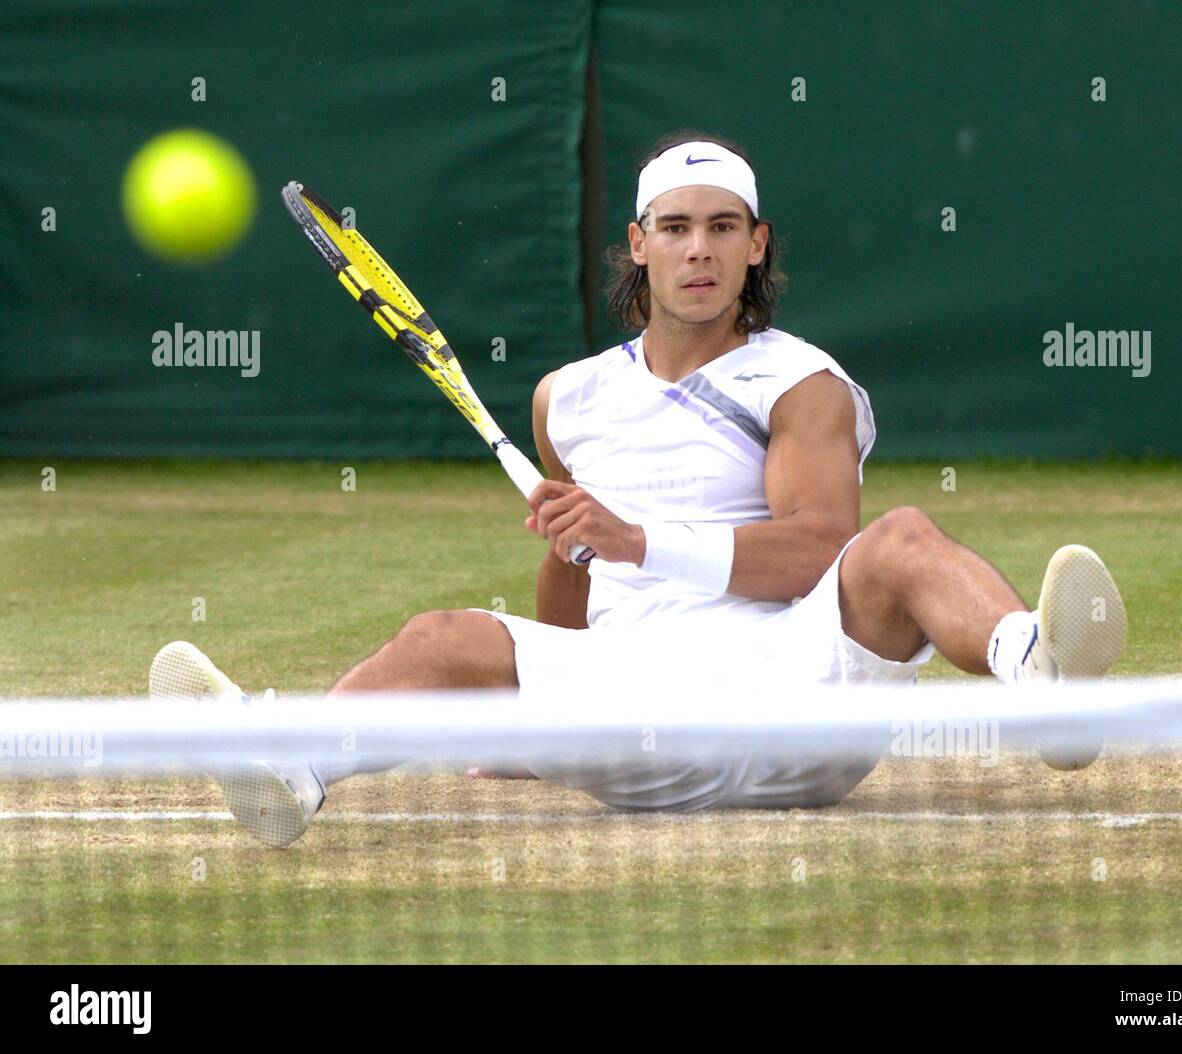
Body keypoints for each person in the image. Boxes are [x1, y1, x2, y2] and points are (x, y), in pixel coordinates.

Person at [151, 133, 1126, 848]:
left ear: (756, 245)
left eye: (721, 228)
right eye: (676, 228)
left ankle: (1037, 676)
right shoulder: (565, 400)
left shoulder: (802, 384)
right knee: (443, 635)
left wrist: (638, 539)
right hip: (632, 715)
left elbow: (820, 547)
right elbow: (572, 572)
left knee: (901, 539)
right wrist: (535, 711)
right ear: (639, 244)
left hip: (795, 697)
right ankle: (294, 768)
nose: (698, 248)